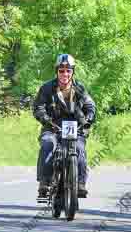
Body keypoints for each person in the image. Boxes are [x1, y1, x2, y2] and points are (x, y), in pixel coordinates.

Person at [33, 54, 96, 199]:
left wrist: (89, 117)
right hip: (52, 127)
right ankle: (45, 182)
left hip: (76, 128)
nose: (65, 74)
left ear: (73, 72)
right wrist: (46, 119)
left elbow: (90, 105)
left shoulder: (79, 87)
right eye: (61, 70)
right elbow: (38, 107)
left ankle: (80, 183)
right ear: (57, 71)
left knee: (79, 148)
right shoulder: (47, 88)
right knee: (48, 144)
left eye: (68, 70)